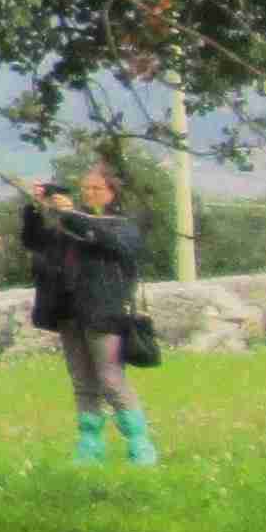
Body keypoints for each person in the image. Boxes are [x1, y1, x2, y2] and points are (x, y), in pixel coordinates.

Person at [18, 164, 157, 467]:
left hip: (103, 311)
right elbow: (34, 241)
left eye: (96, 188)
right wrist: (34, 209)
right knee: (82, 381)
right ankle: (89, 447)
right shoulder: (70, 224)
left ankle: (140, 444)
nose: (89, 193)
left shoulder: (122, 224)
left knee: (110, 378)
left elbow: (107, 241)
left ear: (112, 193)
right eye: (85, 188)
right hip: (68, 310)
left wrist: (70, 215)